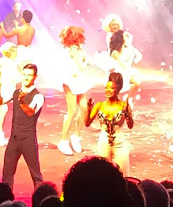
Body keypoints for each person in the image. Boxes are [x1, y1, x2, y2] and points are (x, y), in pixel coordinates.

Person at [0, 63, 44, 190]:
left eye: (29, 75)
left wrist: (22, 102)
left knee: (35, 173)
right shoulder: (16, 93)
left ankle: (41, 197)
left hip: (28, 138)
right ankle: (5, 198)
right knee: (7, 172)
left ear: (35, 77)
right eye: (24, 74)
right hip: (14, 138)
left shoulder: (38, 96)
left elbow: (30, 112)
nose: (26, 77)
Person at [85, 71, 135, 173]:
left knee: (123, 173)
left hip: (120, 143)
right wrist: (89, 110)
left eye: (111, 88)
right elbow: (87, 123)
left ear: (118, 89)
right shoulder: (99, 105)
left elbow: (130, 126)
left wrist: (128, 114)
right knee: (102, 173)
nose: (108, 90)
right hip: (103, 142)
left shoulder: (124, 105)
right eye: (106, 88)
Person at [56, 25, 92, 156]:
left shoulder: (78, 48)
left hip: (79, 80)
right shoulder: (73, 50)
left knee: (84, 108)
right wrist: (88, 63)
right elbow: (81, 66)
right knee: (72, 111)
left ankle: (76, 136)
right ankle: (63, 140)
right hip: (71, 80)